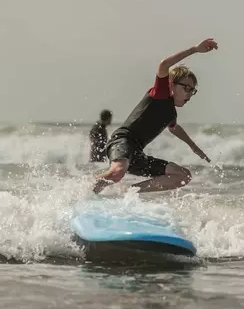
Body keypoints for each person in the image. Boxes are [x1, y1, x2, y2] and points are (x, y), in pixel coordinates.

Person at [93, 38, 217, 194]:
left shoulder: (171, 113)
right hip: (123, 141)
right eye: (187, 88)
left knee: (183, 176)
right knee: (117, 172)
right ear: (171, 84)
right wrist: (194, 49)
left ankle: (128, 193)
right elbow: (163, 65)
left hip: (137, 154)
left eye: (192, 90)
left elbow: (174, 128)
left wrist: (193, 146)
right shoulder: (161, 94)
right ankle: (83, 192)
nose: (190, 94)